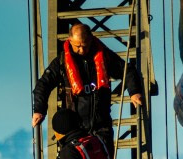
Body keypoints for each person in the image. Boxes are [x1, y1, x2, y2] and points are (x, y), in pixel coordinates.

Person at [32, 23, 144, 152]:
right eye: (77, 46)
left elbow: (127, 71)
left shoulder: (105, 56)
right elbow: (43, 85)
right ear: (69, 41)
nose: (81, 50)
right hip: (75, 128)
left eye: (84, 46)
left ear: (90, 40)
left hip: (101, 124)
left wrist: (134, 92)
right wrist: (39, 110)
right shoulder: (61, 62)